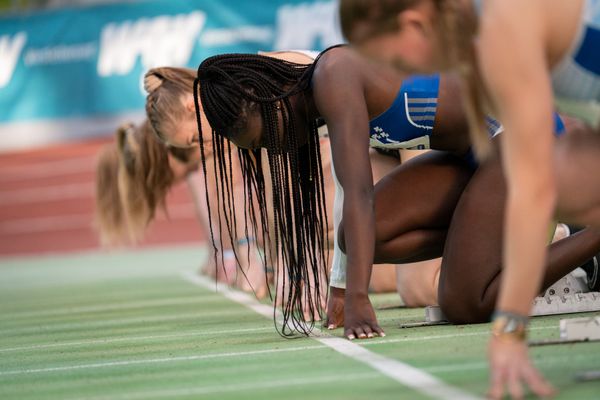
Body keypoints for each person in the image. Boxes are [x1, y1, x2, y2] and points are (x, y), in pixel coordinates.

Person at [144, 45, 600, 342]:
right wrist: (341, 285)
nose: (271, 149)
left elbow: (359, 190)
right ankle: (497, 242)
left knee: (463, 301)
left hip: (521, 138)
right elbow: (354, 202)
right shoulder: (311, 101)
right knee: (360, 238)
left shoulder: (333, 75)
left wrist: (358, 295)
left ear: (266, 98)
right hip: (475, 159)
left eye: (264, 138)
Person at [339, 0, 600, 397]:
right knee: (565, 174)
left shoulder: (499, 28)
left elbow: (534, 186)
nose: (399, 76)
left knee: (559, 176)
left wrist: (511, 330)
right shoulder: (477, 43)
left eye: (393, 61)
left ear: (414, 23)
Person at [94, 120, 268, 296]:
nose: (168, 185)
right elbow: (213, 196)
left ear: (167, 156)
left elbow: (229, 187)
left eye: (165, 179)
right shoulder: (189, 140)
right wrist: (223, 252)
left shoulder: (196, 134)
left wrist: (239, 254)